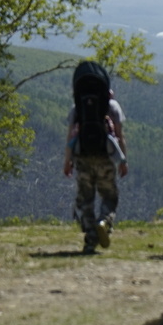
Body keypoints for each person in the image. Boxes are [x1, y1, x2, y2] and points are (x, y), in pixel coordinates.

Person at [63, 81, 127, 256]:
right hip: (105, 158)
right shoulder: (112, 106)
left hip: (82, 158)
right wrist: (123, 160)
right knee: (110, 196)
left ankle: (90, 239)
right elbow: (120, 136)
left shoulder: (78, 107)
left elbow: (70, 136)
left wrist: (67, 161)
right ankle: (105, 221)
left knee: (86, 199)